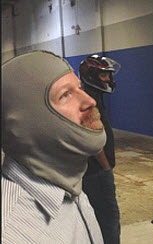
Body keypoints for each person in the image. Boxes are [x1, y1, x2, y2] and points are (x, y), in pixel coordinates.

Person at [2, 50, 105, 243]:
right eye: (65, 95)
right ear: (25, 124)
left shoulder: (71, 186)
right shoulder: (11, 234)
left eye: (80, 88)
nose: (90, 101)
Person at [79, 54, 122, 244]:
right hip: (96, 172)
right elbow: (92, 139)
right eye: (104, 75)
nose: (109, 79)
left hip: (90, 172)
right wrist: (106, 167)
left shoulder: (92, 96)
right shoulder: (89, 101)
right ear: (92, 75)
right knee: (108, 218)